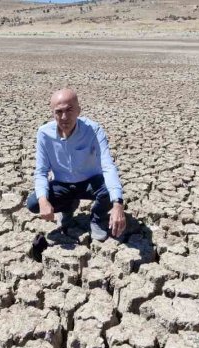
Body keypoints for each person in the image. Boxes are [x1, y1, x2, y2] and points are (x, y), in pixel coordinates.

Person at [26, 89, 126, 241]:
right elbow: (41, 171)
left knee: (110, 190)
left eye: (69, 110)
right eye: (58, 112)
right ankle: (67, 209)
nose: (64, 117)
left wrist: (118, 204)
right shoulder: (44, 134)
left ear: (79, 110)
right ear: (53, 113)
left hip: (90, 182)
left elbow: (108, 166)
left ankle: (96, 219)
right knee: (34, 203)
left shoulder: (93, 130)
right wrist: (43, 200)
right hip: (63, 183)